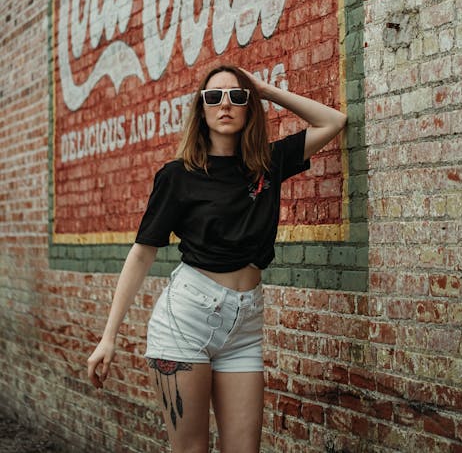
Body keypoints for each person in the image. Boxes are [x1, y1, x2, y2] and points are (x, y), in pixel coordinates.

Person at [87, 64, 347, 453]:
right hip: (187, 322)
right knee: (191, 449)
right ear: (201, 109)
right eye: (213, 97)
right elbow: (142, 252)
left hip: (244, 327)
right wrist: (109, 337)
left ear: (249, 107)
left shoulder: (268, 164)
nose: (225, 104)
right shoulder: (178, 176)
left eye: (237, 96)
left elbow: (334, 121)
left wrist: (266, 90)